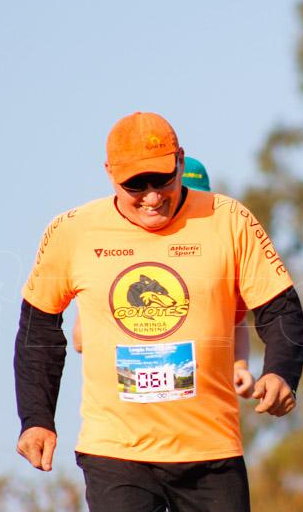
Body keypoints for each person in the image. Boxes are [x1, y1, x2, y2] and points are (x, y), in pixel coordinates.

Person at [15, 111, 303, 512]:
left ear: (180, 161)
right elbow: (38, 327)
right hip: (116, 448)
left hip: (210, 449)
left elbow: (281, 311)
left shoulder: (229, 219)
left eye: (163, 179)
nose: (152, 196)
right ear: (111, 176)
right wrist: (36, 417)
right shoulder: (72, 231)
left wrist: (280, 373)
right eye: (137, 185)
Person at [71, 155, 256, 398]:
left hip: (199, 411)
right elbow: (80, 340)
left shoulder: (216, 267)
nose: (186, 214)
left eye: (196, 205)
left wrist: (239, 366)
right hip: (127, 407)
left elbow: (238, 323)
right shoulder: (119, 264)